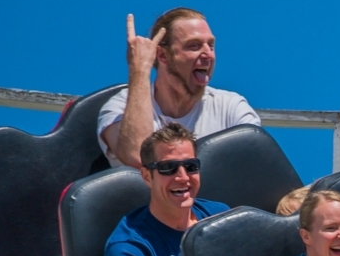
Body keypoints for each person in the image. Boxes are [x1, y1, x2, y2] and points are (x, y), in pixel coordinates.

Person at [103, 124, 227, 256]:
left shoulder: (220, 217)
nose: (182, 177)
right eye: (168, 168)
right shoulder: (129, 246)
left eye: (190, 166)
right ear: (147, 176)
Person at [101, 10, 259, 169]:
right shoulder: (120, 107)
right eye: (194, 45)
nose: (208, 55)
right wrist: (140, 70)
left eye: (211, 45)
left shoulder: (230, 108)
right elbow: (138, 157)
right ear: (162, 55)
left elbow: (258, 164)